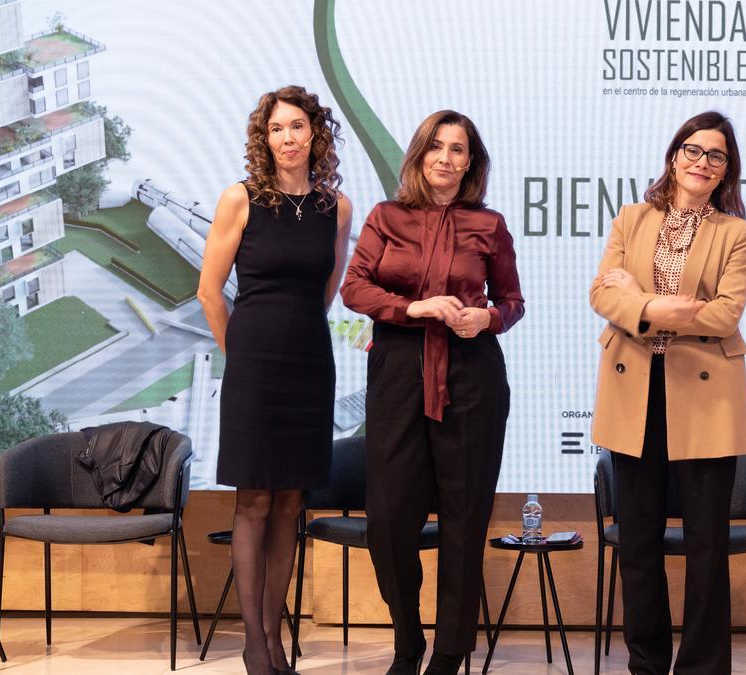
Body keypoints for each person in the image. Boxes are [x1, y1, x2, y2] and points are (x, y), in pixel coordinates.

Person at [340, 110, 524, 675]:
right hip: (398, 371)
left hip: (472, 377)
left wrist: (485, 319)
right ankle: (406, 640)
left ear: (472, 162)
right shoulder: (386, 216)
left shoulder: (488, 225)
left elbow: (512, 301)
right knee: (389, 519)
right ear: (419, 155)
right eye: (436, 147)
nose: (447, 158)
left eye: (459, 149)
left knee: (464, 521)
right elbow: (353, 288)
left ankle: (448, 654)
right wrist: (412, 308)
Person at [590, 111, 746, 675]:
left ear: (726, 169)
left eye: (716, 155)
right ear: (673, 156)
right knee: (637, 543)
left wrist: (642, 301)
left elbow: (726, 313)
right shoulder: (632, 219)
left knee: (707, 546)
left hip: (706, 400)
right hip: (634, 394)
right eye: (693, 150)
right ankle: (646, 662)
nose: (702, 163)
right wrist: (662, 307)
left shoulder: (736, 232)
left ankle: (703, 667)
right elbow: (600, 294)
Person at [198, 85, 352, 675]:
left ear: (315, 132)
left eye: (297, 126)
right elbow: (210, 293)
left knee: (291, 503)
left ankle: (275, 635)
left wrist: (295, 333)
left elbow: (327, 288)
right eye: (276, 129)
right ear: (264, 139)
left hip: (310, 362)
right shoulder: (240, 199)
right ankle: (255, 646)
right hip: (254, 364)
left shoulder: (334, 208)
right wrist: (238, 354)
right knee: (254, 500)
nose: (287, 138)